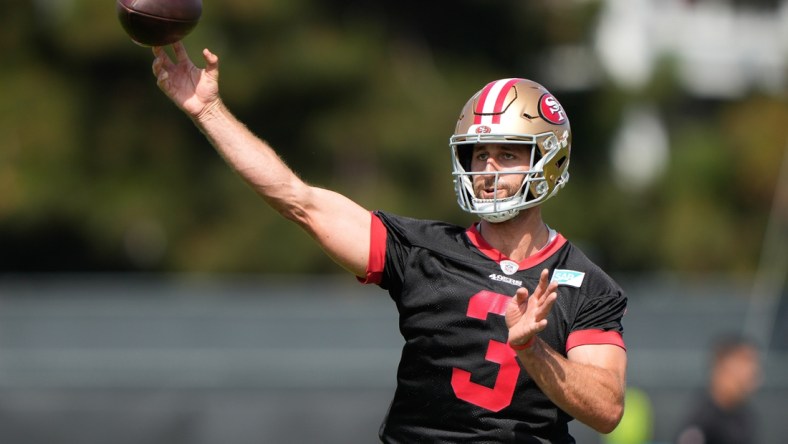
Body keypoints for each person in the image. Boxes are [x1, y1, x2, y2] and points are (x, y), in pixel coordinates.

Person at [151, 42, 628, 443]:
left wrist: (533, 351)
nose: (487, 171)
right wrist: (209, 111)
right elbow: (301, 201)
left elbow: (606, 409)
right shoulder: (424, 251)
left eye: (507, 154)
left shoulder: (585, 283)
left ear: (549, 160)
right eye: (478, 154)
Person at [676, 335, 761, 444]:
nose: (752, 370)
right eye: (744, 361)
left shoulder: (747, 417)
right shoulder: (701, 419)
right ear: (721, 365)